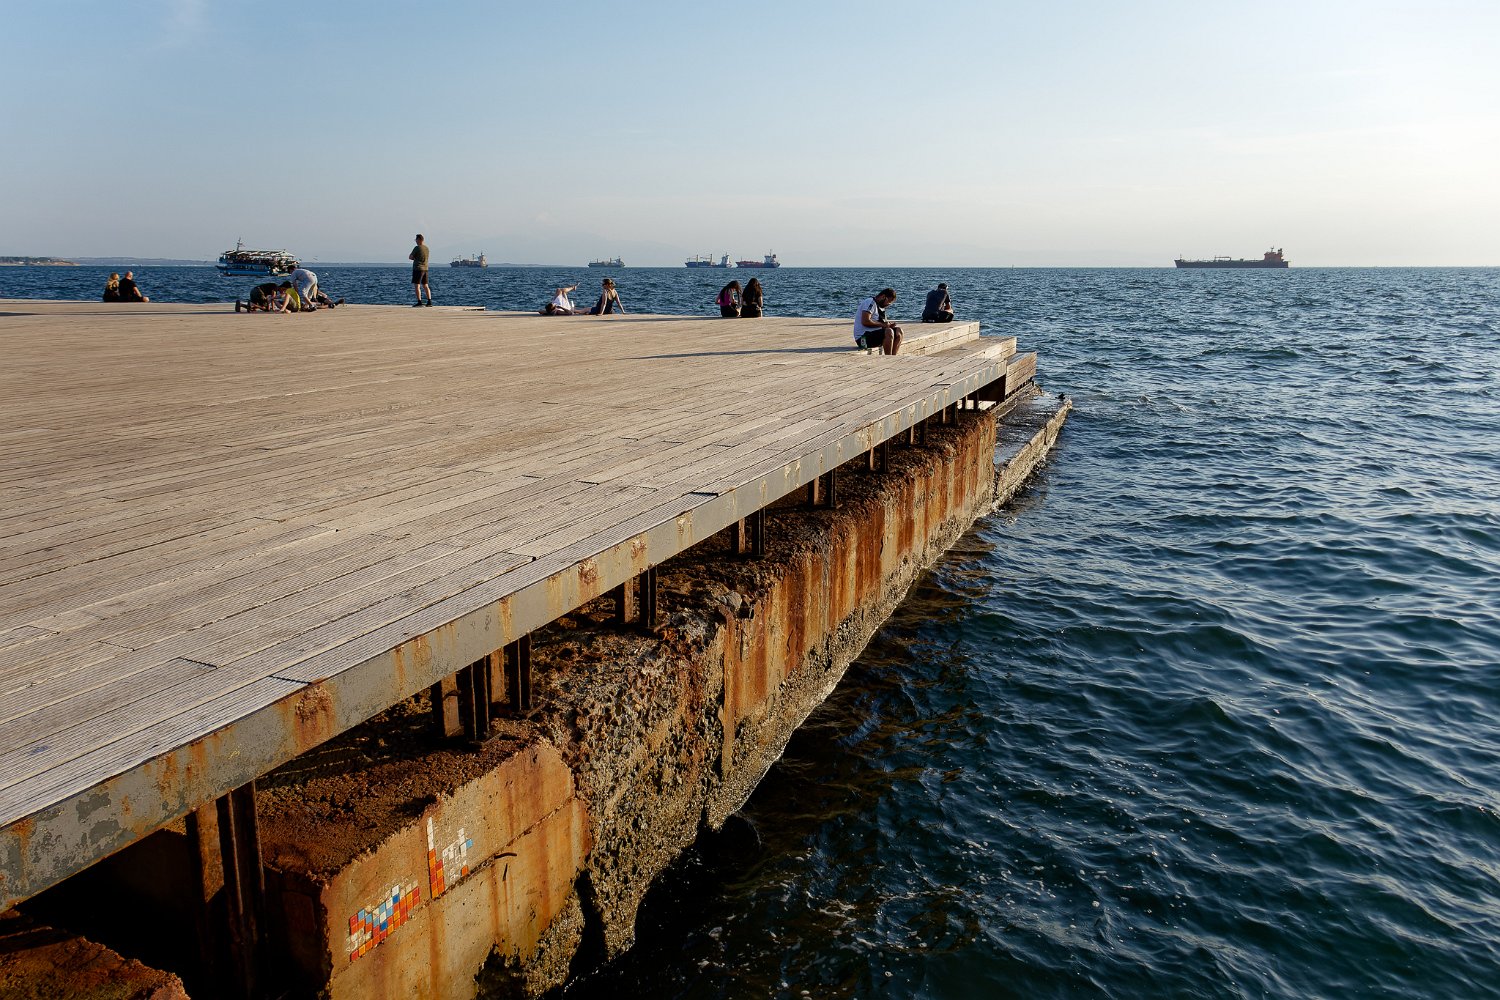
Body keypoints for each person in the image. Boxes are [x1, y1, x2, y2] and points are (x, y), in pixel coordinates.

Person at [853, 287, 903, 354]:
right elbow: (865, 321)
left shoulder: (881, 307)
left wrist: (888, 325)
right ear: (883, 297)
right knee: (889, 332)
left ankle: (893, 357)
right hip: (862, 340)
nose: (888, 305)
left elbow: (881, 325)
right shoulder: (870, 302)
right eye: (888, 302)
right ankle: (888, 358)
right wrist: (883, 325)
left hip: (873, 335)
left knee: (898, 331)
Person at [410, 234, 432, 306]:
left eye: (416, 240)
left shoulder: (417, 248)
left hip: (418, 268)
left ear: (419, 240)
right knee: (426, 285)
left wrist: (415, 258)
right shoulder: (427, 248)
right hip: (425, 269)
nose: (415, 241)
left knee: (417, 286)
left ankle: (419, 302)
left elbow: (410, 257)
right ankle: (429, 301)